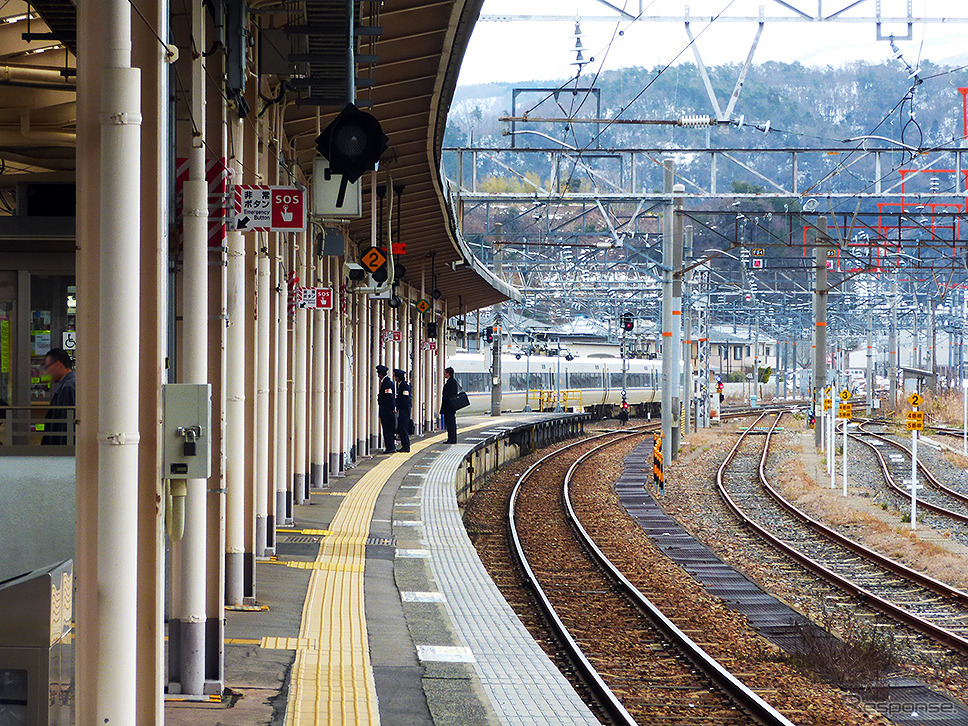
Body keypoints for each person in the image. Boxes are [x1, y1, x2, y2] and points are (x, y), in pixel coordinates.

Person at [42, 348, 76, 445]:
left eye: (47, 367)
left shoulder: (68, 387)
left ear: (58, 364)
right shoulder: (69, 384)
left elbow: (65, 425)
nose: (47, 372)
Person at [376, 364, 397, 453]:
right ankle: (390, 446)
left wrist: (391, 408)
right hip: (387, 410)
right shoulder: (388, 382)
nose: (377, 375)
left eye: (378, 373)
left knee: (387, 429)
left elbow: (389, 397)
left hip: (386, 410)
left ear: (380, 374)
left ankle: (390, 447)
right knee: (388, 428)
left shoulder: (387, 383)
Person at [393, 368, 412, 452]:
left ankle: (406, 446)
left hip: (404, 410)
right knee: (402, 427)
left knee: (403, 428)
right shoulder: (401, 385)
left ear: (398, 377)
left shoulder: (404, 386)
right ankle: (405, 445)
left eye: (395, 376)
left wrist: (399, 406)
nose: (395, 378)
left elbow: (405, 399)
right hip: (403, 410)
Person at [440, 366, 458, 444]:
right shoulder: (452, 382)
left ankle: (452, 439)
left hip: (449, 407)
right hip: (450, 407)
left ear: (448, 373)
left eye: (445, 373)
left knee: (450, 423)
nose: (444, 374)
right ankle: (451, 438)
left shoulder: (451, 383)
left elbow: (448, 395)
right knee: (450, 423)